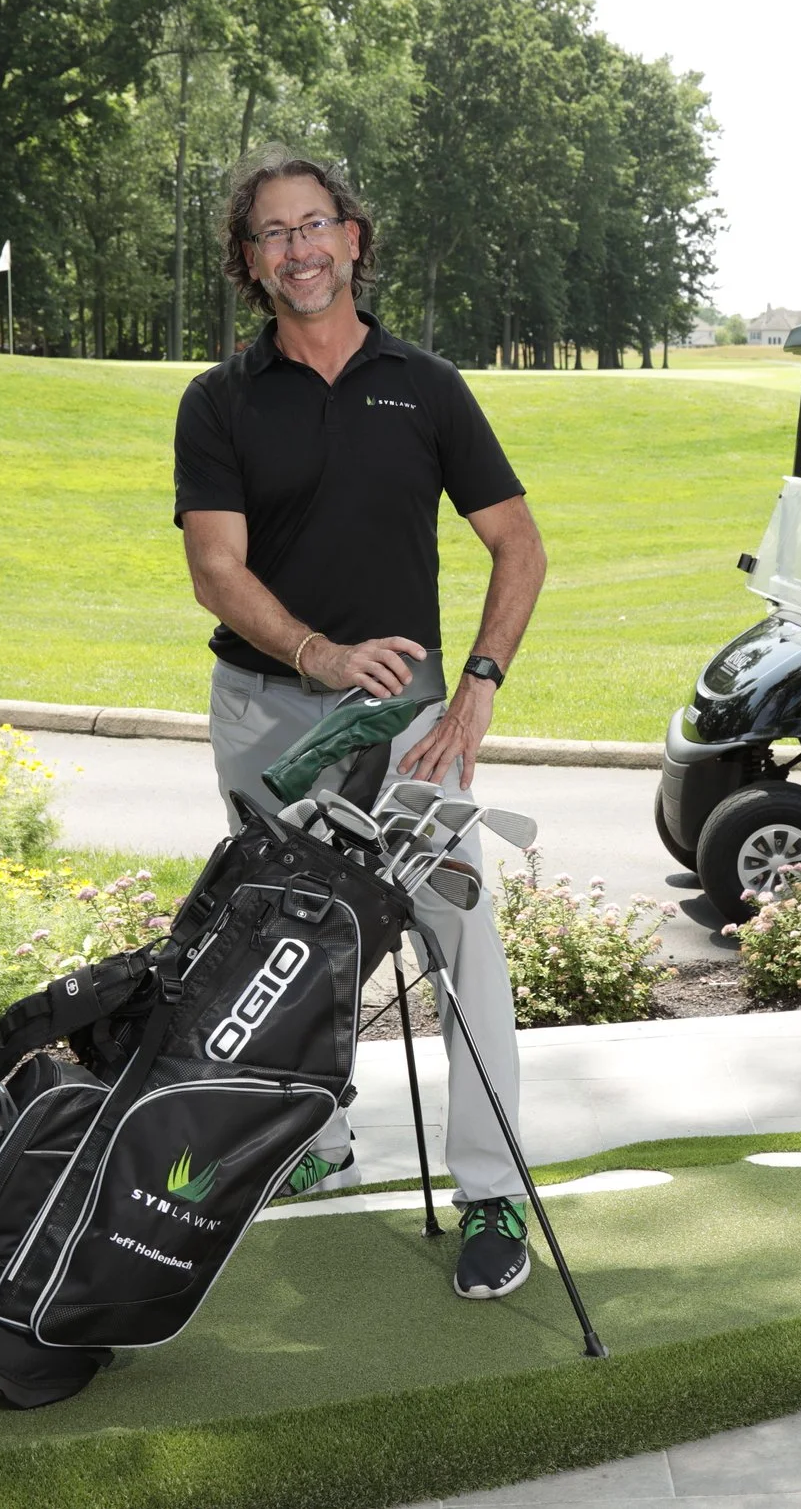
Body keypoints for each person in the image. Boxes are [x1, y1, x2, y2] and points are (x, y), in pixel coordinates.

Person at [171, 154, 548, 1300]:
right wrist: (318, 653)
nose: (298, 248)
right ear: (249, 261)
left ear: (352, 237)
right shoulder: (220, 399)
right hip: (266, 715)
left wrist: (477, 682)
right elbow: (214, 569)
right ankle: (316, 1142)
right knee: (282, 946)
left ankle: (492, 1190)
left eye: (315, 224)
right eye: (272, 234)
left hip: (411, 728)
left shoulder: (423, 385)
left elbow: (518, 544)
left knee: (459, 938)